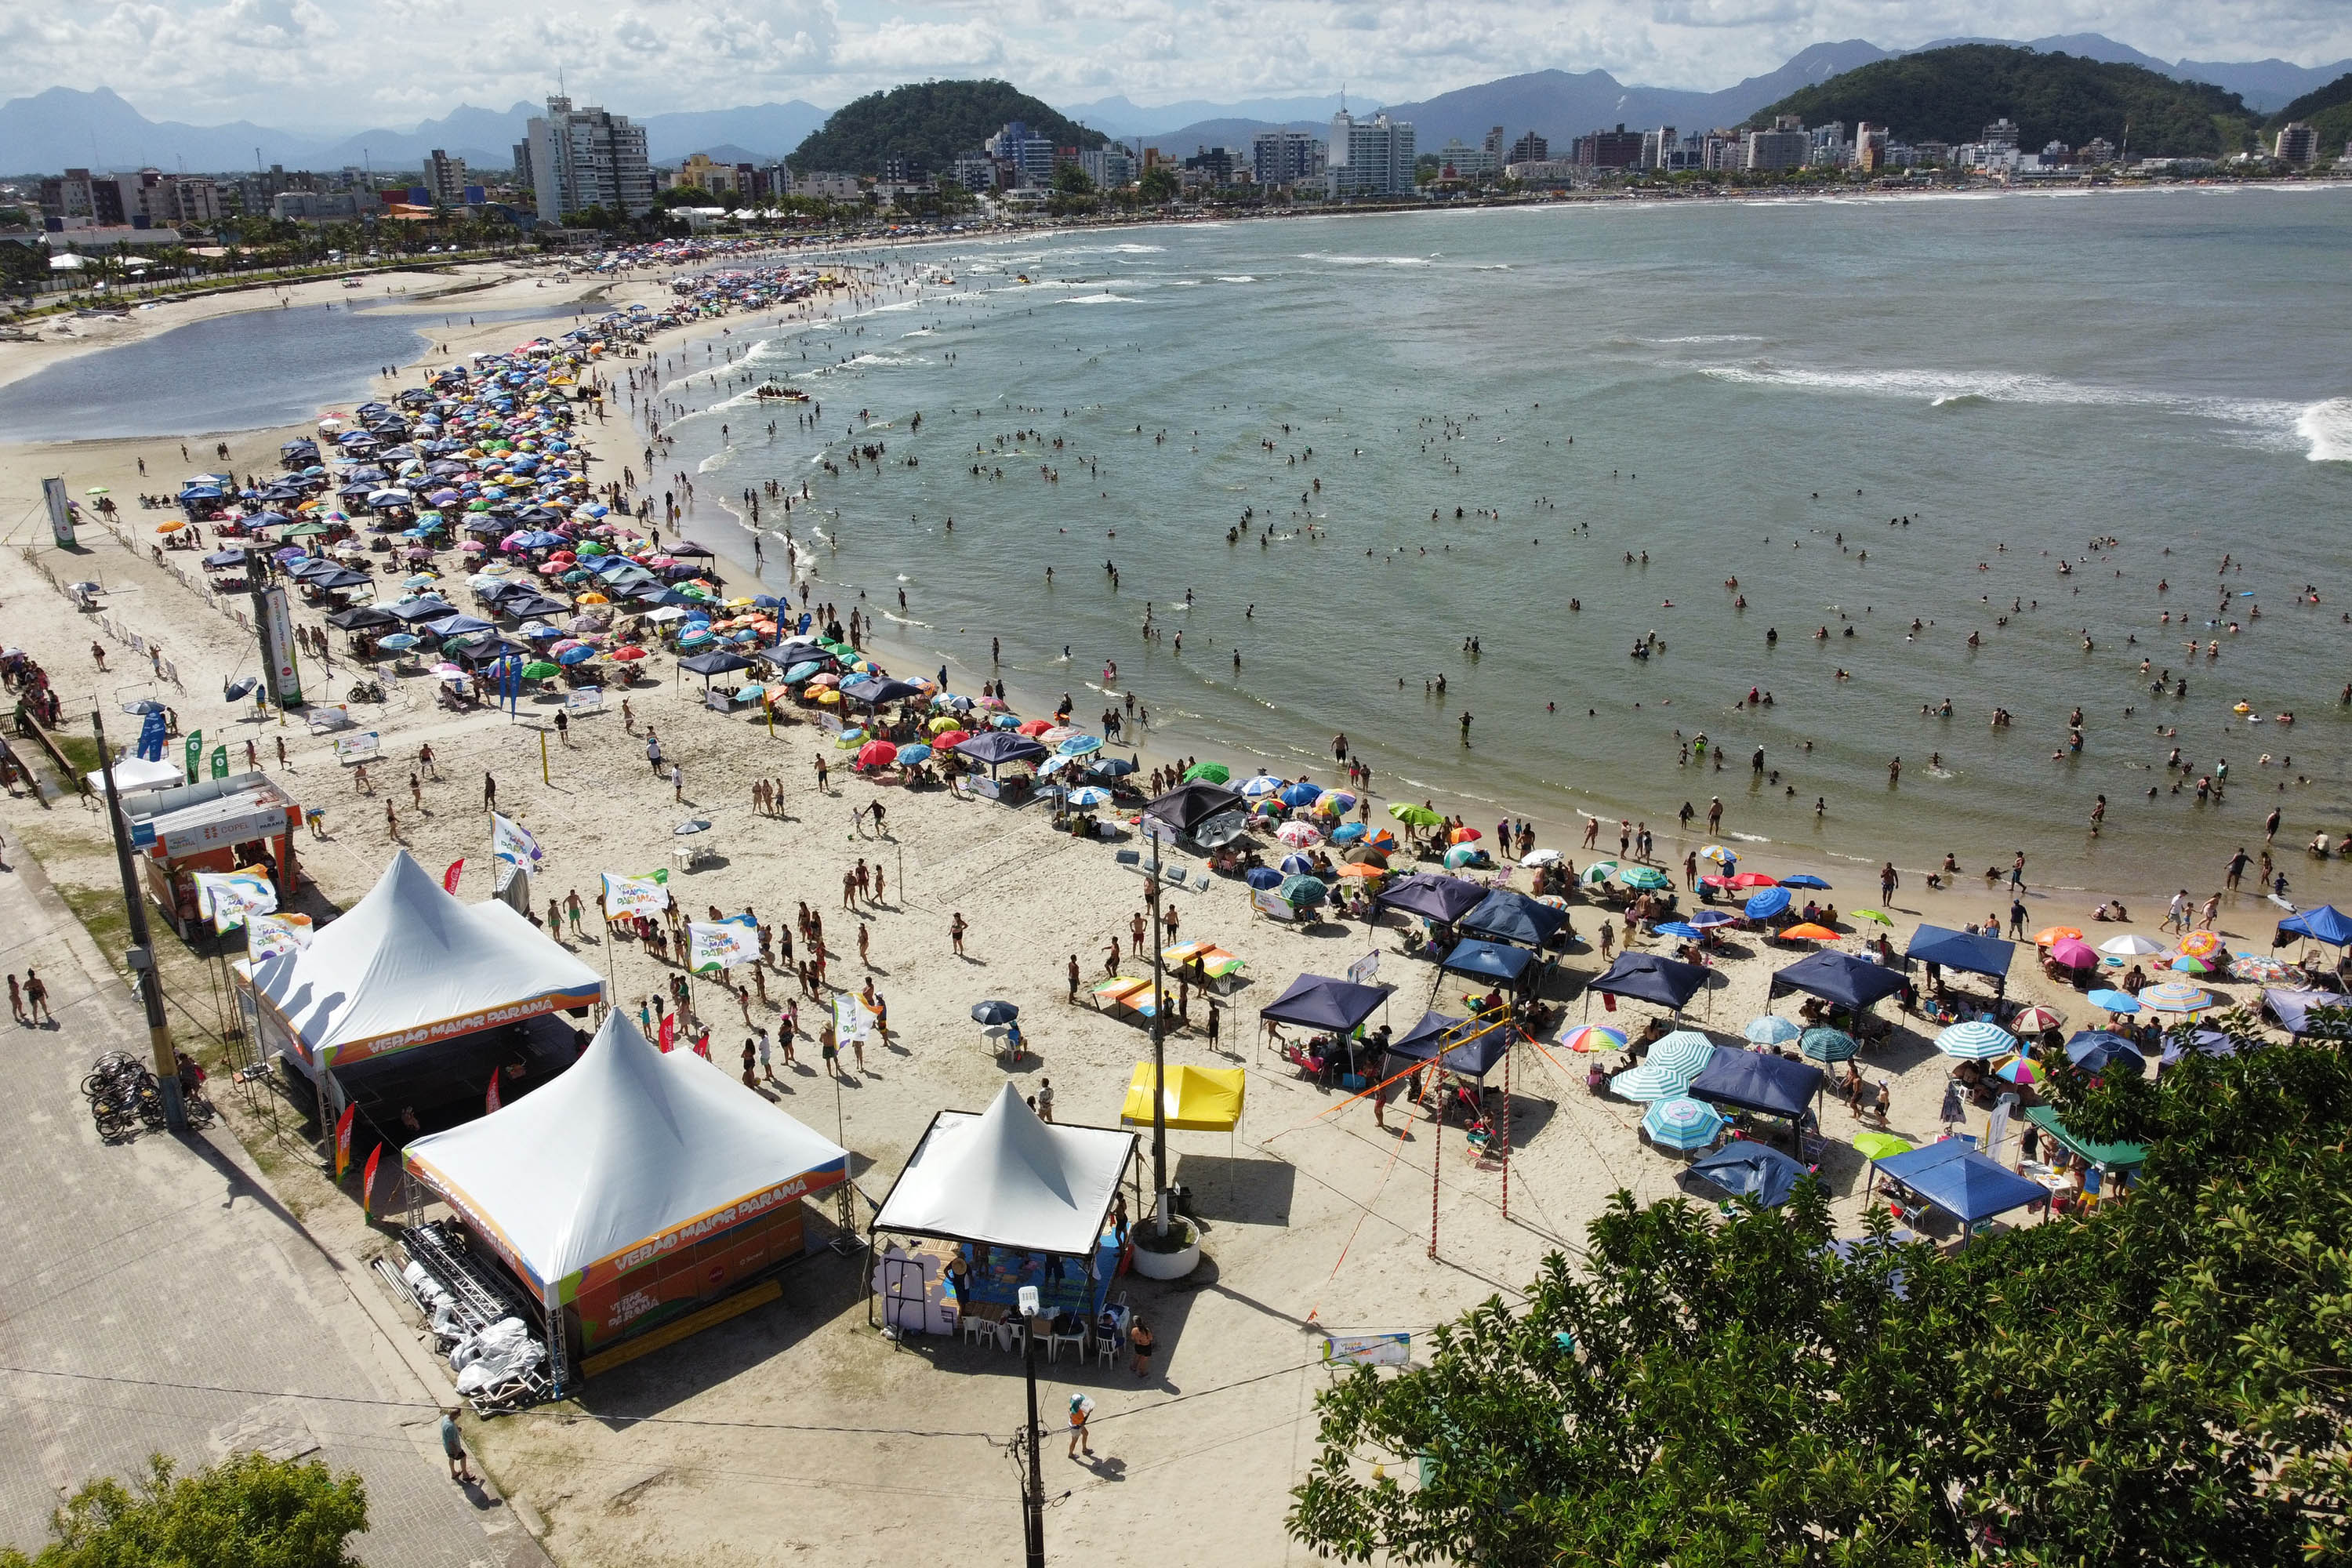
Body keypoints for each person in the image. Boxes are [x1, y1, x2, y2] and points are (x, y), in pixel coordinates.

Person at [440, 1408, 474, 1484]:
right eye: (458, 1414)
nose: (460, 1415)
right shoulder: (451, 1427)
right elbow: (452, 1442)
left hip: (447, 1446)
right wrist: (456, 1452)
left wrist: (457, 1429)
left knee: (451, 1458)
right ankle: (465, 1474)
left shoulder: (446, 1418)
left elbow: (449, 1429)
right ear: (455, 1415)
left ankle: (453, 1473)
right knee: (463, 1457)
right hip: (453, 1448)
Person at [1067, 1392, 1095, 1459]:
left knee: (1085, 1434)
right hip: (1076, 1427)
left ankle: (1084, 1449)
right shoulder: (1078, 1414)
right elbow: (1083, 1422)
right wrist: (1089, 1412)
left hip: (1075, 1424)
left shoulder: (1072, 1406)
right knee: (1074, 1441)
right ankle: (1070, 1454)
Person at [1128, 1315, 1156, 1379]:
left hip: (1138, 1346)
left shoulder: (1134, 1330)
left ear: (1135, 1323)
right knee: (1144, 1361)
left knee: (1137, 1356)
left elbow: (1132, 1338)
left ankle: (1134, 1367)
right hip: (1146, 1347)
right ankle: (1142, 1373)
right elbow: (1151, 1338)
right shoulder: (1146, 1330)